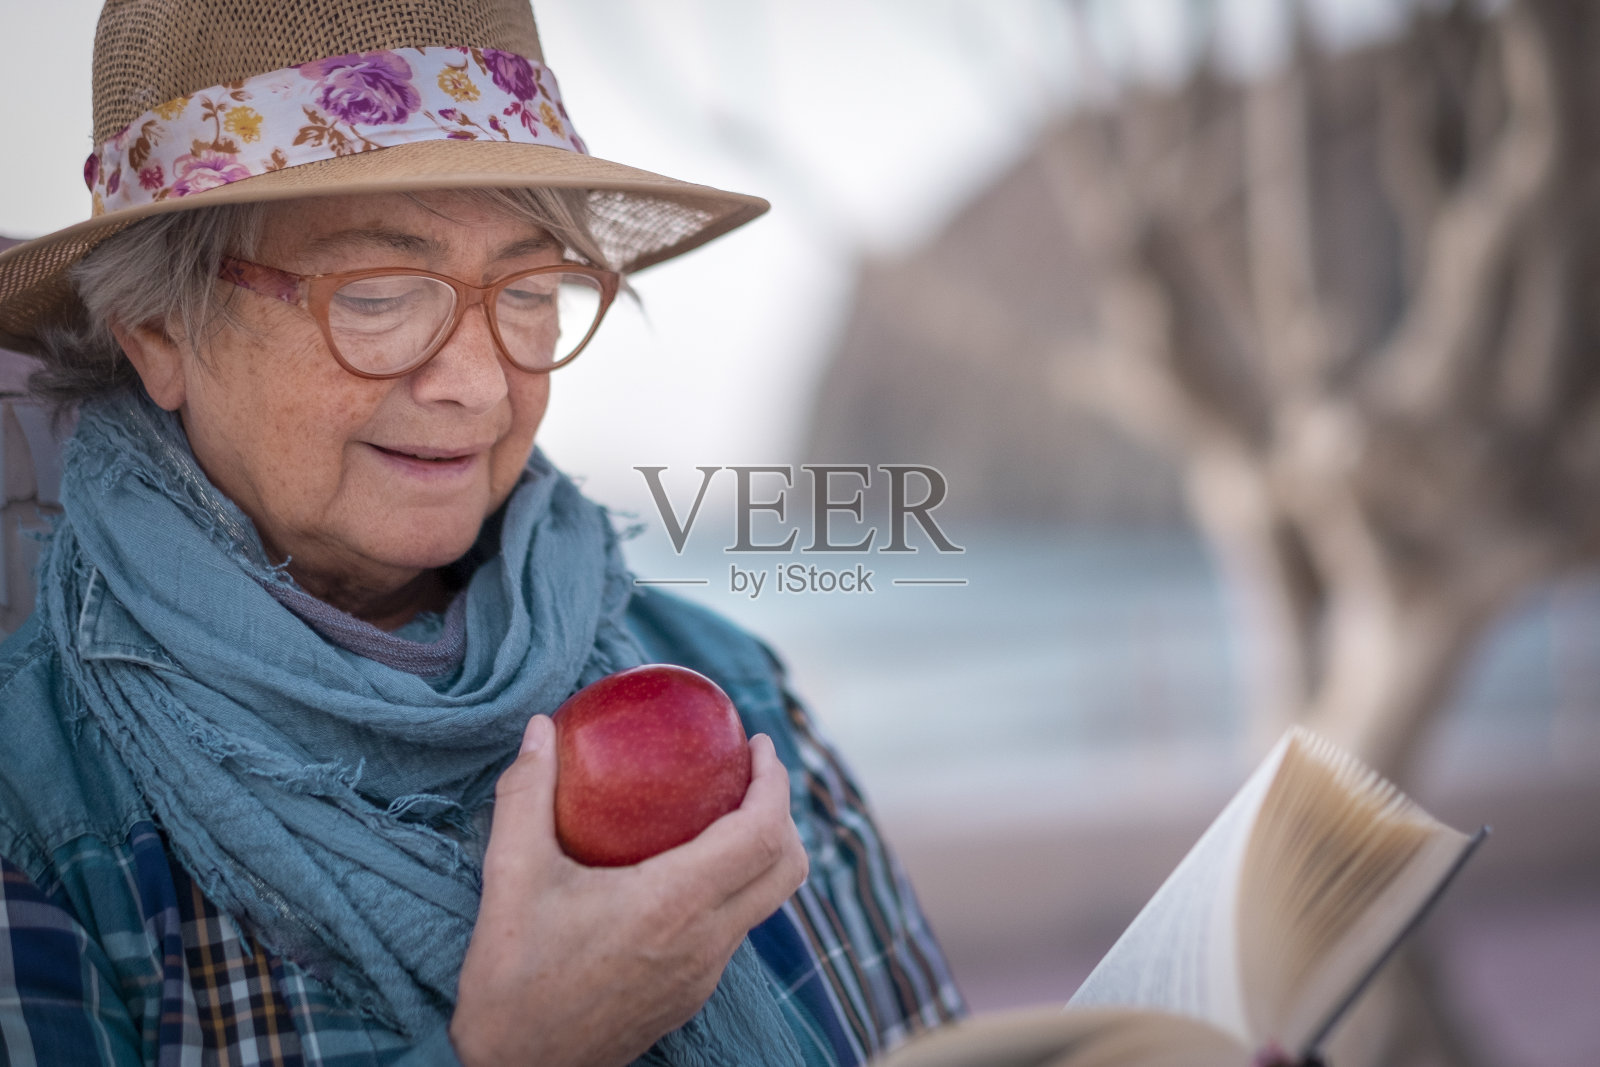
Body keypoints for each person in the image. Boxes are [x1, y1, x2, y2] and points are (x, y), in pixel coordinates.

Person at [0, 0, 965, 1063]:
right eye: (378, 295)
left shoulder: (733, 690)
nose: (478, 384)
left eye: (529, 289)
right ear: (156, 332)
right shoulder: (36, 813)